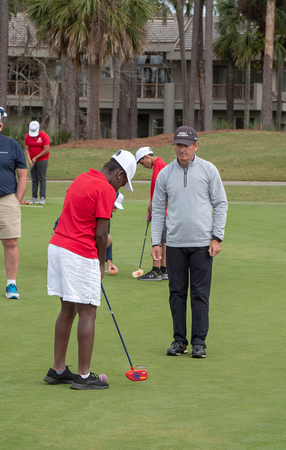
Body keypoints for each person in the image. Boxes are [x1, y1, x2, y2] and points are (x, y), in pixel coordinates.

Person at [44, 150, 136, 389]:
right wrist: (100, 264)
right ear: (119, 174)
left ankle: (58, 369)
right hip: (79, 252)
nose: (121, 187)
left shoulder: (81, 178)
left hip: (57, 246)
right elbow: (101, 234)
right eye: (124, 182)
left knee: (67, 309)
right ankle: (83, 376)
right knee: (88, 312)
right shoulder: (106, 189)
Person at [151, 126, 228, 358]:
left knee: (199, 293)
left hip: (203, 244)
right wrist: (157, 241)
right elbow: (157, 209)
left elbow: (221, 204)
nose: (181, 149)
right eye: (177, 145)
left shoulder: (208, 170)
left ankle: (199, 342)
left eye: (185, 145)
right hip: (174, 244)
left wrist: (217, 237)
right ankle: (179, 340)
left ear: (196, 146)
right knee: (176, 293)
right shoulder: (165, 173)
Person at [0, 108, 28, 299]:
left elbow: (23, 174)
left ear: (2, 126)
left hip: (6, 200)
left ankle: (11, 285)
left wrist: (17, 200)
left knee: (10, 243)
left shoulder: (12, 145)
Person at [135, 146, 167, 281]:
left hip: (161, 210)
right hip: (164, 210)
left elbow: (158, 191)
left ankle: (156, 271)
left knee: (158, 240)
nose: (143, 166)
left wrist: (152, 208)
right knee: (164, 241)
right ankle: (164, 270)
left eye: (142, 163)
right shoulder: (160, 165)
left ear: (147, 157)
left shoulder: (159, 165)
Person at [24, 120, 50, 205]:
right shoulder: (28, 136)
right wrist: (29, 160)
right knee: (34, 179)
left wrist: (36, 157)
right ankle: (34, 197)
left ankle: (42, 197)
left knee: (42, 178)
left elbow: (46, 149)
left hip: (42, 160)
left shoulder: (44, 136)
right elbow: (26, 149)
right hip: (32, 161)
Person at [106, 191, 124, 274]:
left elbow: (106, 236)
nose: (114, 210)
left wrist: (109, 262)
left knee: (107, 238)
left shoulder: (107, 216)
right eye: (115, 206)